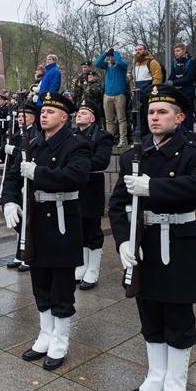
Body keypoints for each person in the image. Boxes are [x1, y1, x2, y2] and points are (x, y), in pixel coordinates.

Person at [109, 85, 196, 391]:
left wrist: (153, 187)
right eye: (151, 112)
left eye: (162, 112)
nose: (154, 117)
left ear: (179, 117)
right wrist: (124, 241)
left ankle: (175, 387)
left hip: (180, 241)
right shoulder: (133, 156)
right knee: (150, 312)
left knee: (177, 317)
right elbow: (118, 205)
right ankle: (155, 378)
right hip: (144, 240)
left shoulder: (195, 150)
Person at [2, 92, 91, 370]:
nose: (44, 115)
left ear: (65, 118)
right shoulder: (33, 143)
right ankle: (45, 333)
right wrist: (10, 201)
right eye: (43, 111)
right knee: (39, 281)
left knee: (61, 285)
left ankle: (61, 339)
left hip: (62, 221)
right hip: (36, 221)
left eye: (51, 112)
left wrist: (38, 174)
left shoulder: (76, 145)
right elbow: (13, 176)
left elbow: (78, 176)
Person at [72, 98, 114, 290]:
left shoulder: (102, 136)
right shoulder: (71, 135)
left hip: (91, 188)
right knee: (78, 229)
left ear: (92, 119)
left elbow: (101, 161)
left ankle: (93, 270)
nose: (79, 114)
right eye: (78, 111)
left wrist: (75, 166)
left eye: (84, 112)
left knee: (92, 230)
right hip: (74, 187)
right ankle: (81, 265)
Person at [4, 101, 38, 272]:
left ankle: (27, 253)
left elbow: (27, 153)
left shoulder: (34, 133)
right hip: (16, 175)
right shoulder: (19, 133)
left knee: (27, 217)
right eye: (18, 116)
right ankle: (20, 252)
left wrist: (14, 150)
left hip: (28, 177)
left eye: (23, 116)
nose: (20, 119)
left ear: (32, 118)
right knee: (18, 218)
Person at [95, 46, 129, 146]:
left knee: (121, 118)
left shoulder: (122, 65)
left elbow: (119, 62)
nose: (110, 59)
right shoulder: (107, 65)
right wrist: (106, 52)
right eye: (109, 57)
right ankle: (109, 139)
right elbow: (97, 63)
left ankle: (123, 140)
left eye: (112, 57)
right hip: (107, 95)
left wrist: (116, 52)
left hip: (119, 95)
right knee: (109, 120)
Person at [129, 42, 164, 139]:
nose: (137, 52)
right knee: (136, 118)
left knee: (147, 117)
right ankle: (138, 138)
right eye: (136, 50)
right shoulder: (134, 64)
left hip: (147, 95)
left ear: (145, 50)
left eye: (140, 49)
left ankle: (149, 139)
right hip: (136, 95)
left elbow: (157, 78)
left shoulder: (152, 62)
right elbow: (131, 78)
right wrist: (132, 90)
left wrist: (152, 93)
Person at [167, 43, 196, 131]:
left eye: (178, 51)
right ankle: (180, 134)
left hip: (188, 92)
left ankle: (189, 135)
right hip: (178, 93)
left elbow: (189, 78)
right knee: (179, 115)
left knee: (188, 116)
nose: (176, 53)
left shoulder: (191, 61)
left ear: (184, 51)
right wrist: (167, 83)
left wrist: (173, 83)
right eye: (175, 51)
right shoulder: (175, 62)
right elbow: (172, 76)